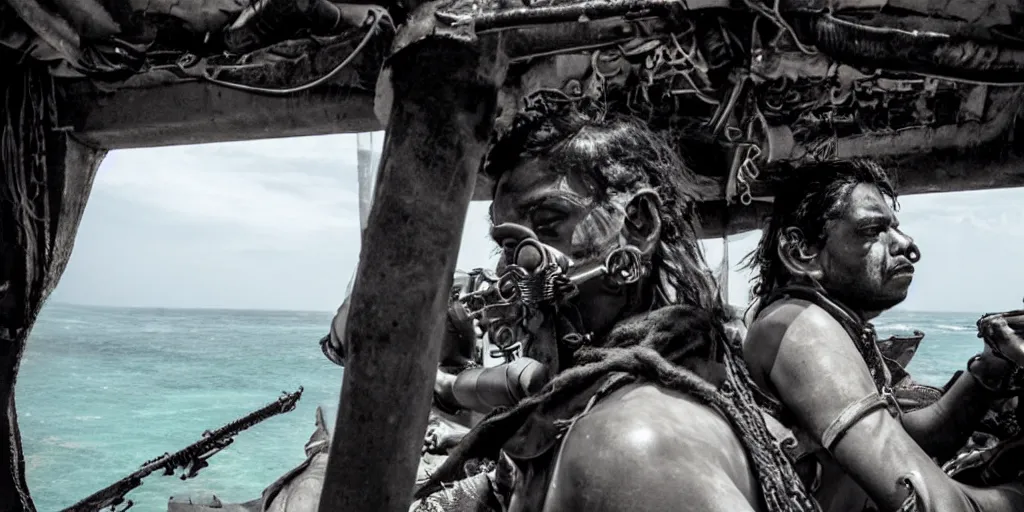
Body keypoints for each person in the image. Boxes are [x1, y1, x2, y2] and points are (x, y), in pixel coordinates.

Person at [415, 103, 820, 512]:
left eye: (549, 222)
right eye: (506, 244)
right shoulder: (598, 396)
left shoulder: (633, 446)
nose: (517, 265)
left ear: (639, 224)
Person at [740, 159, 1024, 511]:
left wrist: (994, 361)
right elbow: (928, 505)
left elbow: (913, 439)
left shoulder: (835, 325)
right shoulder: (803, 329)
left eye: (896, 228)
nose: (907, 245)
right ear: (803, 252)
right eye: (872, 230)